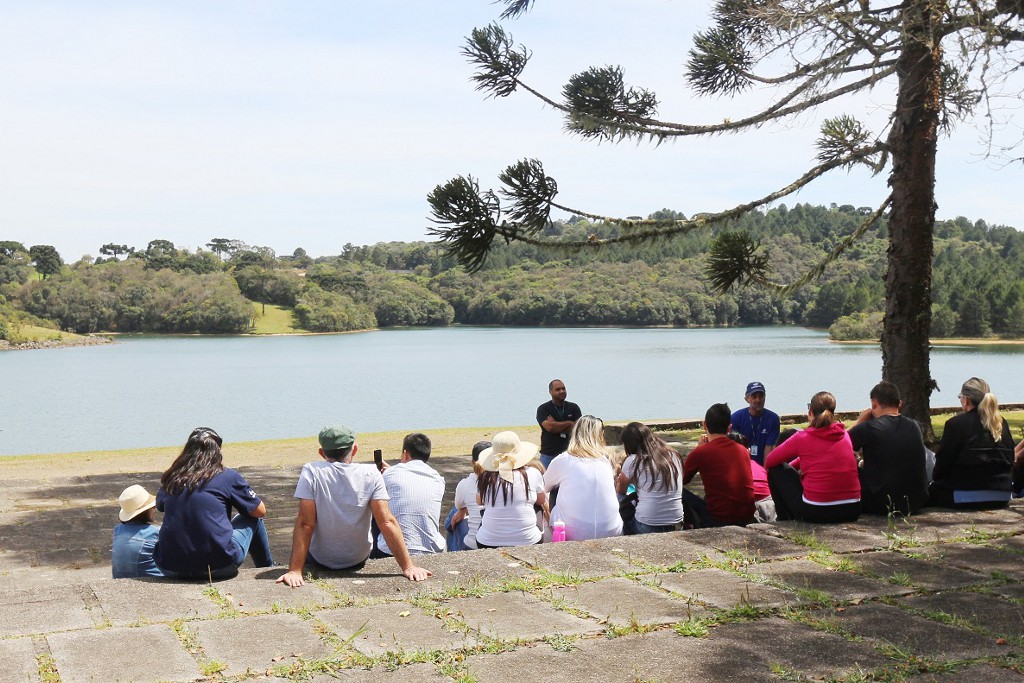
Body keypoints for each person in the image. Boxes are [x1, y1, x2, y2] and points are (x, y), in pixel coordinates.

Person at [276, 425, 431, 587]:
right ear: (354, 449)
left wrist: (294, 571)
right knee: (378, 513)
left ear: (322, 453)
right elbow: (386, 522)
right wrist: (409, 566)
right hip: (358, 558)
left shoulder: (312, 472)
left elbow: (306, 524)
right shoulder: (371, 473)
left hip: (321, 559)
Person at [154, 427, 274, 579]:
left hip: (169, 567)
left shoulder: (172, 477)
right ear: (217, 451)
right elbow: (259, 510)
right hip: (220, 566)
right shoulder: (227, 476)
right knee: (251, 518)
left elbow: (160, 505)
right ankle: (267, 566)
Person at [764, 392, 861, 523]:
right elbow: (819, 457)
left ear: (810, 411)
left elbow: (770, 460)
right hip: (852, 510)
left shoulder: (802, 437)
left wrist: (790, 472)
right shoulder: (844, 435)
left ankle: (784, 520)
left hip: (817, 511)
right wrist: (794, 466)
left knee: (775, 469)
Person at [929, 377, 1015, 509]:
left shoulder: (955, 424)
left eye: (960, 397)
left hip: (964, 496)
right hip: (1001, 496)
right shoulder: (1002, 424)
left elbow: (942, 465)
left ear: (966, 399)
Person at [848, 381, 929, 515]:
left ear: (874, 404)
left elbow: (837, 445)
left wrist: (859, 422)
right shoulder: (915, 426)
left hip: (880, 503)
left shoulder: (868, 428)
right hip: (916, 501)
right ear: (900, 404)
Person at [543, 415, 623, 540]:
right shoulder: (608, 459)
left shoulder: (564, 460)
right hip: (612, 530)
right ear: (600, 434)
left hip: (574, 534)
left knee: (552, 491)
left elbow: (544, 487)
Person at [682, 404, 755, 527]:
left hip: (718, 518)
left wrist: (698, 448)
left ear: (704, 425)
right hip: (746, 515)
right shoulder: (742, 450)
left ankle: (693, 526)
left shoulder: (701, 452)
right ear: (729, 428)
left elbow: (681, 480)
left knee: (678, 492)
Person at [375, 433, 445, 557]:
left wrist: (388, 472)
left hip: (390, 551)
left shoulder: (390, 474)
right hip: (432, 549)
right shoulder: (438, 479)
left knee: (377, 510)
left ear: (405, 454)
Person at [475, 432, 547, 548]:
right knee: (536, 506)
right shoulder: (533, 473)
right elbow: (541, 500)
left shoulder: (485, 477)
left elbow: (479, 501)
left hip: (487, 541)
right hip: (529, 540)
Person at [615, 422, 684, 534]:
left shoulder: (633, 460)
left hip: (647, 525)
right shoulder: (673, 455)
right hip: (675, 523)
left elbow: (620, 490)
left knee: (619, 499)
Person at [111, 484, 164, 578]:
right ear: (147, 510)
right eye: (152, 507)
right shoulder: (155, 533)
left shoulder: (118, 530)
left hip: (120, 582)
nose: (154, 508)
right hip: (151, 583)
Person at [447, 441, 490, 551]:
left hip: (475, 543)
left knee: (452, 518)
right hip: (500, 539)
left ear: (472, 462)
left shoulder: (465, 484)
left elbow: (459, 506)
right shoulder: (503, 482)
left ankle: (453, 553)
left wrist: (463, 509)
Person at [730, 382, 781, 466]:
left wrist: (764, 474)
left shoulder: (773, 419)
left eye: (761, 396)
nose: (758, 400)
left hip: (762, 465)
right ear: (747, 399)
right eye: (754, 396)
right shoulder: (736, 418)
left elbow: (769, 448)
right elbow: (735, 450)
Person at [537, 379, 582, 469]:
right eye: (558, 389)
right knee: (545, 481)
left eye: (563, 389)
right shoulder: (543, 409)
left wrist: (556, 424)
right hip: (549, 455)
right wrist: (569, 423)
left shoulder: (574, 407)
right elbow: (550, 427)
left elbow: (578, 429)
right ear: (550, 392)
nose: (562, 391)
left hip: (570, 454)